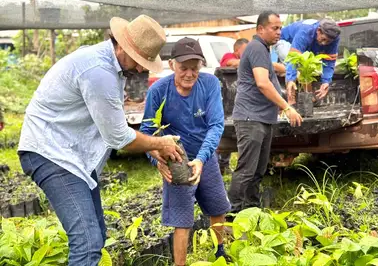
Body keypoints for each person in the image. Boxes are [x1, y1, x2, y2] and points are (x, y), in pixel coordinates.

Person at [17, 15, 182, 266]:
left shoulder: (107, 64)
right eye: (139, 61)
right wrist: (161, 143)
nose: (140, 68)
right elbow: (119, 137)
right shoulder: (99, 70)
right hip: (51, 152)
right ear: (122, 46)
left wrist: (152, 146)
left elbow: (112, 124)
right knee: (87, 242)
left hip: (72, 154)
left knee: (97, 236)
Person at [140, 37, 231, 265]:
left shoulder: (210, 84)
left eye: (194, 68)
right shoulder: (159, 90)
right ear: (172, 65)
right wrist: (158, 161)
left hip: (205, 155)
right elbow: (147, 131)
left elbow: (216, 125)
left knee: (217, 205)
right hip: (176, 158)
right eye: (184, 68)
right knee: (182, 219)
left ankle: (220, 250)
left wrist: (201, 159)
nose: (189, 73)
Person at [228, 11, 303, 215]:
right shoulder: (256, 48)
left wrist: (279, 101)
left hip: (261, 118)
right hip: (251, 118)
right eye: (275, 28)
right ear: (260, 29)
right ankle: (231, 215)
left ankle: (252, 211)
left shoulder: (262, 49)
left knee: (258, 171)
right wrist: (287, 107)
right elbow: (262, 83)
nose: (279, 32)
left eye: (280, 28)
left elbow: (266, 78)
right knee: (246, 170)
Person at [281, 19, 341, 104]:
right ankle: (291, 101)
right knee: (296, 69)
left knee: (307, 69)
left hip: (307, 46)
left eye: (328, 42)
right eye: (323, 39)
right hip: (284, 41)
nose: (324, 44)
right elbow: (292, 59)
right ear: (318, 31)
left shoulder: (334, 39)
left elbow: (329, 61)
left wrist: (326, 82)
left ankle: (308, 99)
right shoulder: (305, 32)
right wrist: (290, 79)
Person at [218, 38, 249, 174]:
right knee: (224, 136)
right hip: (226, 105)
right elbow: (231, 63)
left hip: (240, 105)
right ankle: (220, 166)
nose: (248, 53)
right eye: (245, 50)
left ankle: (224, 165)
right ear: (237, 51)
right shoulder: (229, 56)